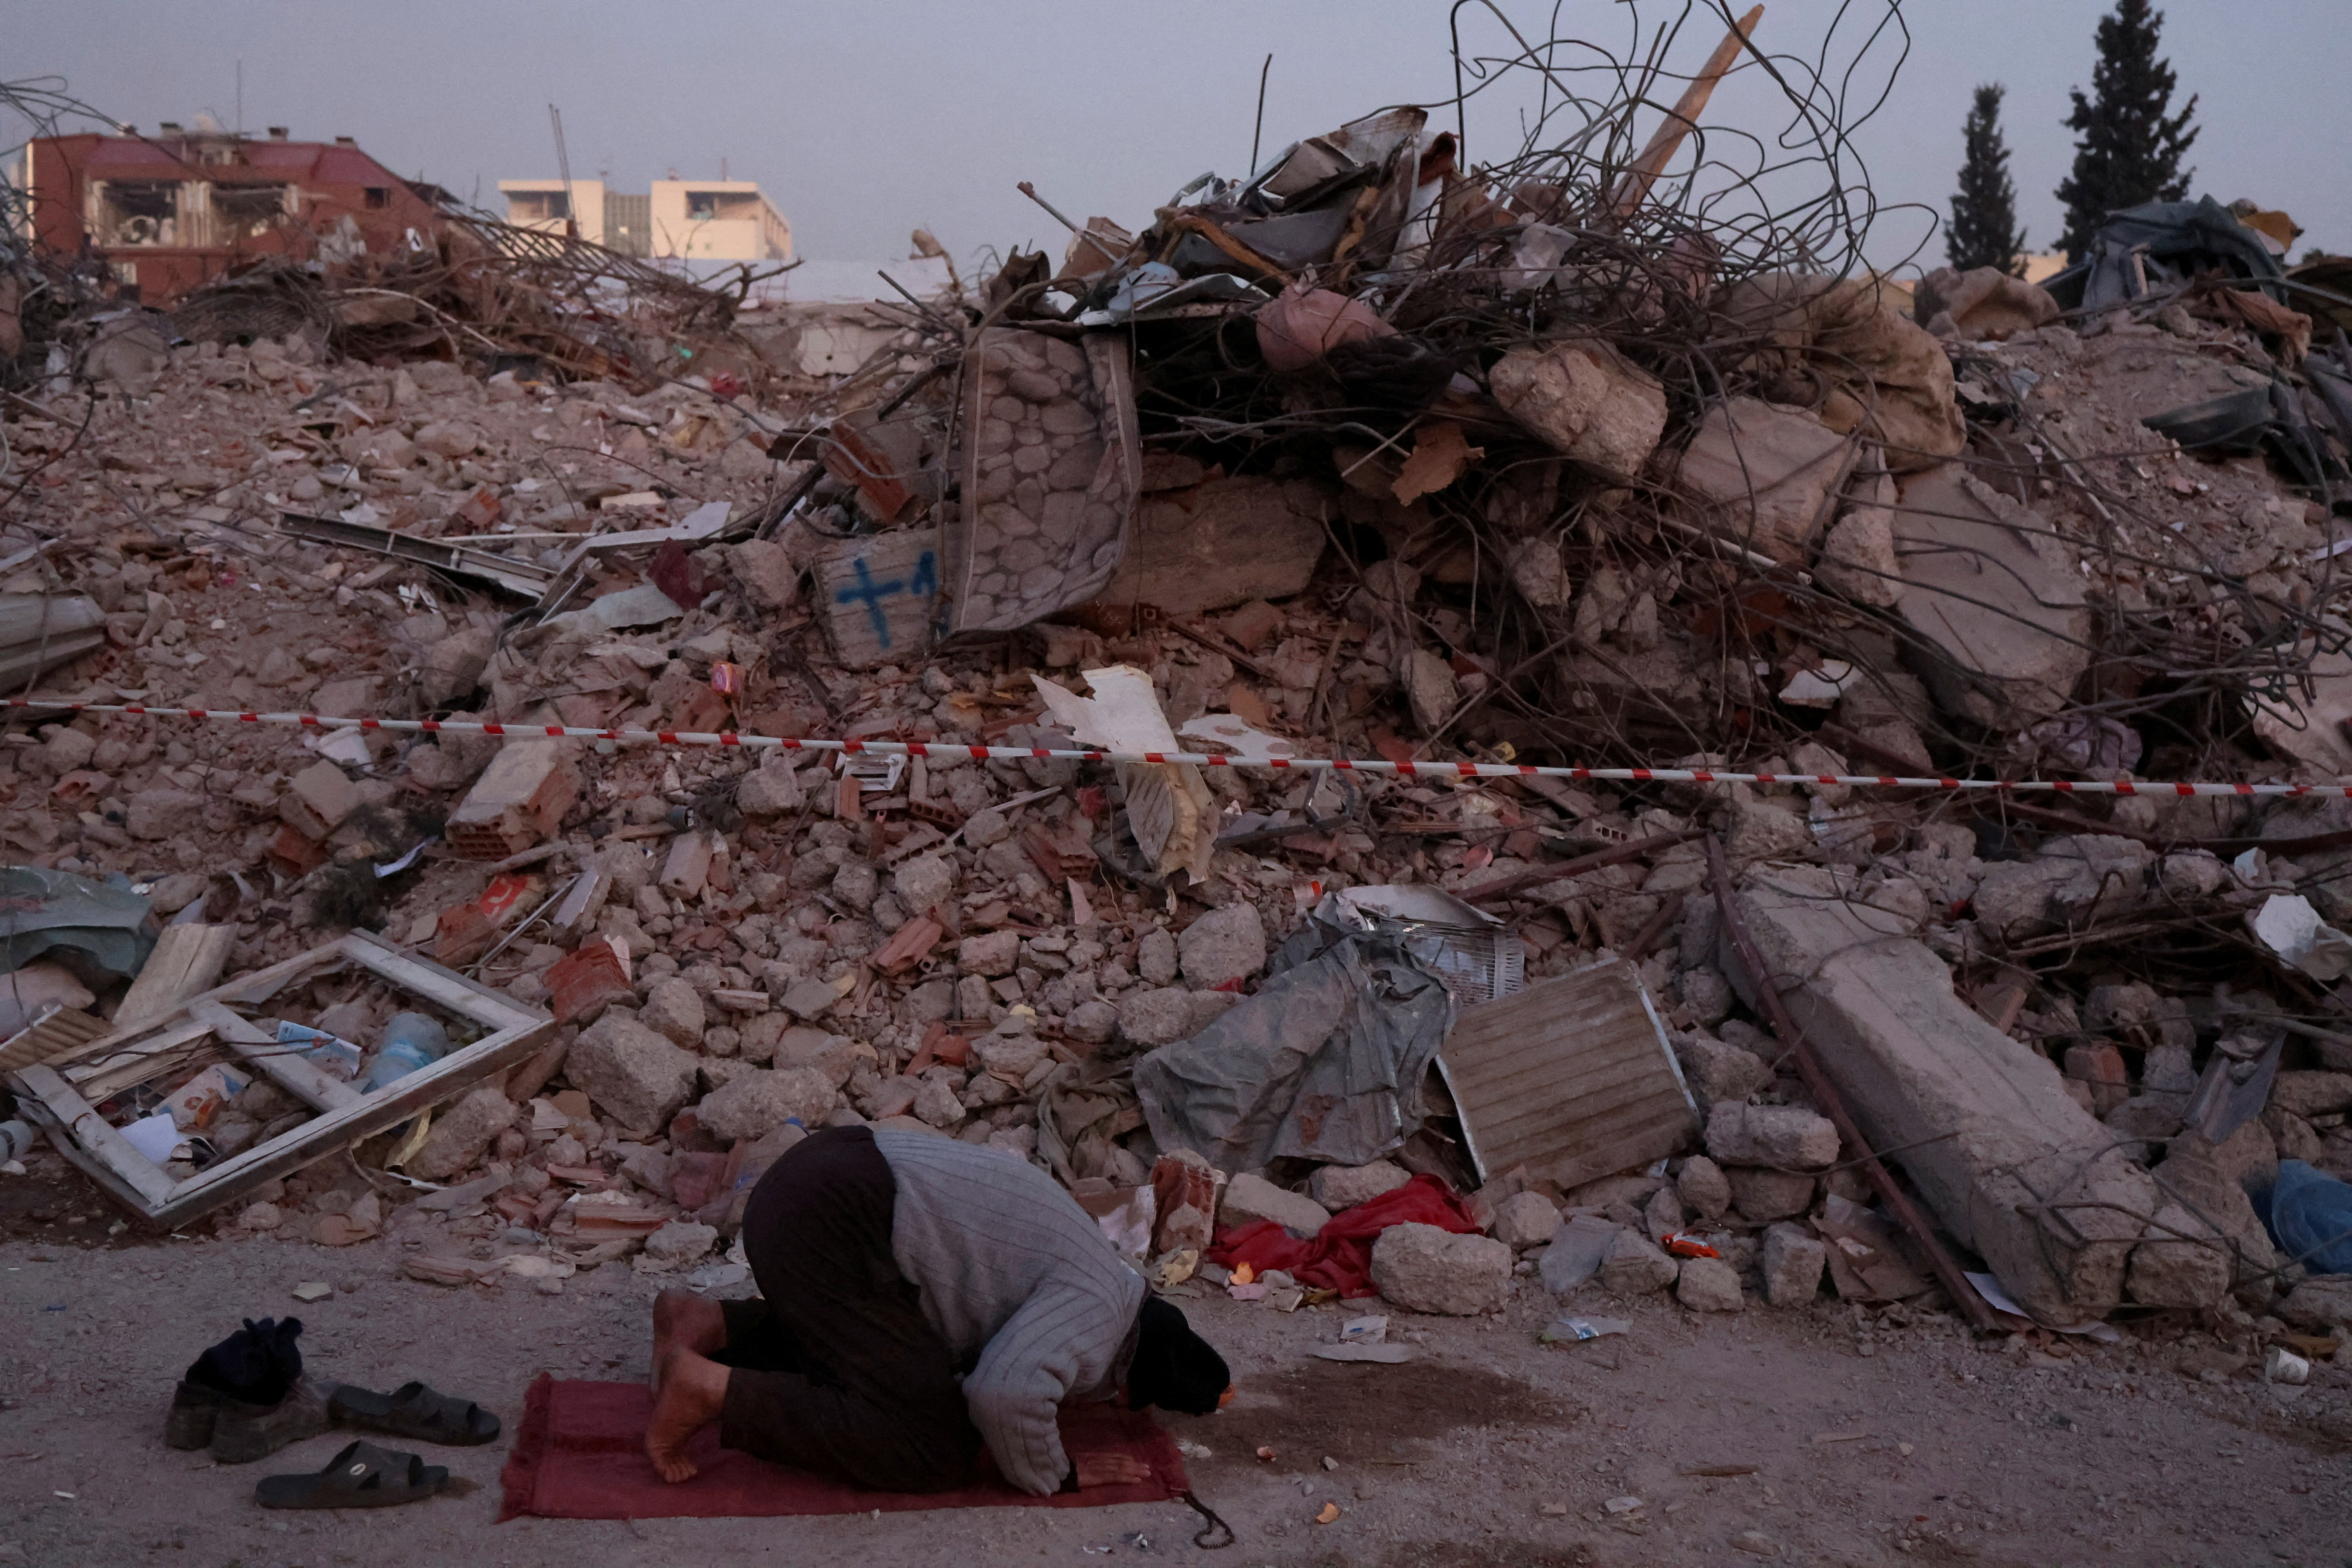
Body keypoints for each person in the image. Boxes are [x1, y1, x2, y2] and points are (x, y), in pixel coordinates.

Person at [644, 1123, 1231, 1494]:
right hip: (827, 1219)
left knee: (906, 1358)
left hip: (822, 1172)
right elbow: (1004, 1395)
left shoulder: (1106, 1269)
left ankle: (712, 1323)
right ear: (1128, 1379)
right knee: (932, 1443)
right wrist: (1056, 1473)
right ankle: (711, 1389)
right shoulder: (1101, 1317)